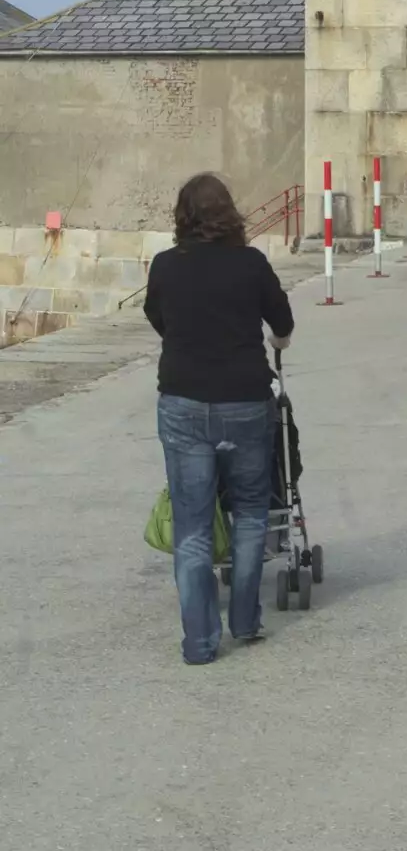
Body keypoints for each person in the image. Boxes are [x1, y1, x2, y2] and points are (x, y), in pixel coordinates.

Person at [144, 173, 295, 664]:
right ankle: (247, 621)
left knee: (193, 524)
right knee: (251, 513)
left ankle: (200, 643)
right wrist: (276, 343)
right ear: (229, 213)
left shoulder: (166, 265)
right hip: (246, 402)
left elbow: (158, 318)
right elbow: (283, 322)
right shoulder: (250, 263)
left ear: (182, 216)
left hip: (184, 402)